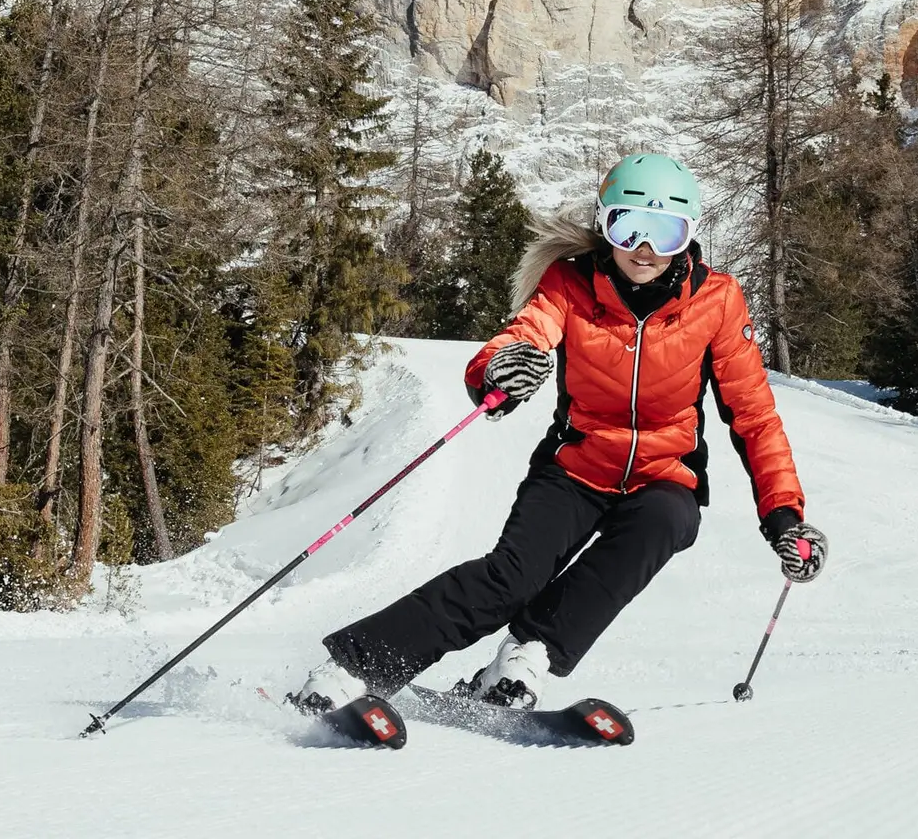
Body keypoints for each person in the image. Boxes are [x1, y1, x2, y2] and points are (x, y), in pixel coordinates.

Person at [292, 153, 828, 714]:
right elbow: (525, 333)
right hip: (573, 470)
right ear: (604, 225)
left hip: (661, 477)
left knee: (669, 521)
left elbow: (753, 414)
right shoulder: (571, 285)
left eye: (665, 232)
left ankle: (526, 656)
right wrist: (500, 370)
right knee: (510, 579)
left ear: (688, 237)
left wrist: (785, 518)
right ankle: (353, 666)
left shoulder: (715, 302)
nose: (644, 249)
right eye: (629, 226)